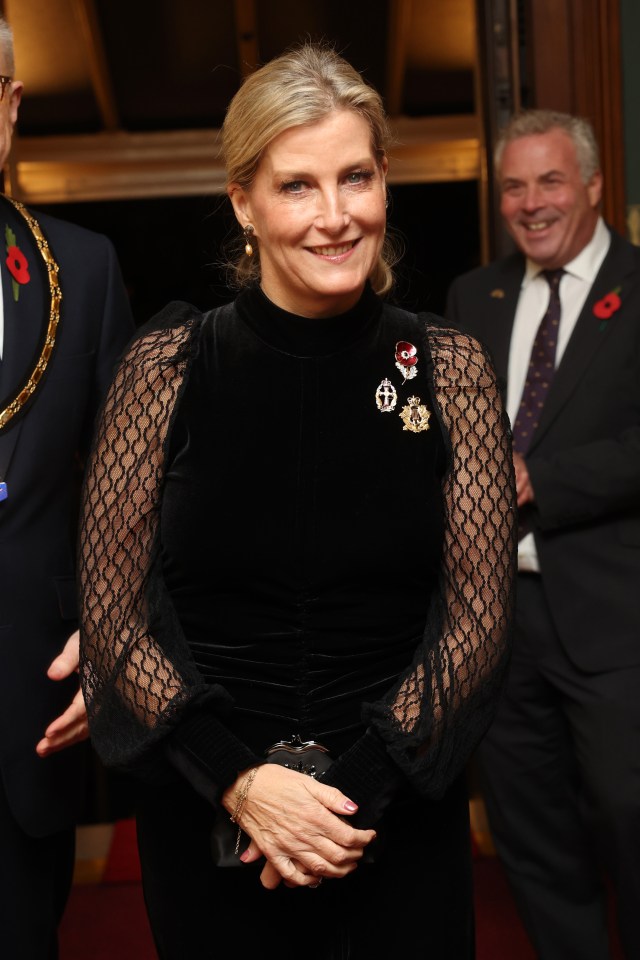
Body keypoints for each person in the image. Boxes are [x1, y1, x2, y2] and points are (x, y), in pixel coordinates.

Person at [78, 42, 516, 959]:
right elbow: (114, 617)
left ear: (385, 182)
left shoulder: (449, 370)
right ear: (243, 202)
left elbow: (477, 619)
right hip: (212, 823)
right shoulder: (165, 369)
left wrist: (342, 802)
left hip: (392, 819)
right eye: (296, 186)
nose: (334, 216)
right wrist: (244, 785)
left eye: (354, 177)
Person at [446, 108, 640, 960]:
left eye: (550, 180)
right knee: (528, 833)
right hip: (498, 622)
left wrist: (540, 479)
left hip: (614, 619)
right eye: (514, 185)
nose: (531, 202)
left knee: (630, 821)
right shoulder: (472, 297)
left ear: (594, 185)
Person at [0, 16, 134, 959]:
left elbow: (132, 494)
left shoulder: (81, 272)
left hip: (26, 718)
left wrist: (110, 627)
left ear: (6, 111)